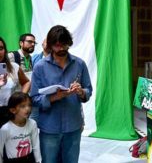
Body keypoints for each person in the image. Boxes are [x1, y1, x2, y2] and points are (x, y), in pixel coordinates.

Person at [30, 25, 92, 163]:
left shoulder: (79, 64)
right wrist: (54, 97)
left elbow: (89, 90)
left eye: (64, 45)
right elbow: (33, 98)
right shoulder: (40, 67)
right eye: (57, 45)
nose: (61, 49)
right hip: (49, 128)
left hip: (73, 126)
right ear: (50, 45)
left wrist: (81, 92)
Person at [0, 92, 41, 163]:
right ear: (13, 110)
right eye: (23, 106)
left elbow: (36, 145)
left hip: (29, 159)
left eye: (29, 105)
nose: (27, 108)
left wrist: (38, 161)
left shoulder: (32, 123)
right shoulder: (5, 129)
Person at [0, 37, 31, 128]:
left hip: (10, 112)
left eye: (1, 48)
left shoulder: (14, 67)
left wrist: (19, 99)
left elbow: (26, 82)